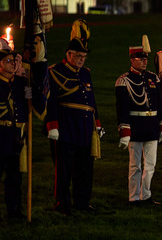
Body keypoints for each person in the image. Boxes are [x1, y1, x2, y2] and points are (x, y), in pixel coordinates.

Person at [46, 19, 101, 215]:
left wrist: (98, 123)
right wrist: (52, 125)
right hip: (66, 128)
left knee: (85, 169)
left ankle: (82, 201)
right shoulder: (54, 72)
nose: (81, 59)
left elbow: (91, 101)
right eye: (77, 56)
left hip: (85, 129)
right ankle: (62, 203)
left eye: (83, 56)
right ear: (68, 54)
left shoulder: (86, 73)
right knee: (64, 170)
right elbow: (50, 101)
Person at [115, 38, 162, 205]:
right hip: (136, 126)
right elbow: (122, 108)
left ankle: (145, 195)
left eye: (145, 59)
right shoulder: (124, 80)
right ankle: (133, 197)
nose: (144, 62)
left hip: (151, 126)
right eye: (140, 59)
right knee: (135, 165)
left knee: (150, 165)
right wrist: (124, 130)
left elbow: (159, 102)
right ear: (132, 60)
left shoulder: (153, 78)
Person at [0, 38, 37, 220]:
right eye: (8, 61)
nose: (13, 64)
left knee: (14, 178)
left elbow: (28, 102)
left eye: (14, 61)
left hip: (16, 135)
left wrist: (28, 85)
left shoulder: (21, 83)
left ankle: (14, 211)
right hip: (0, 134)